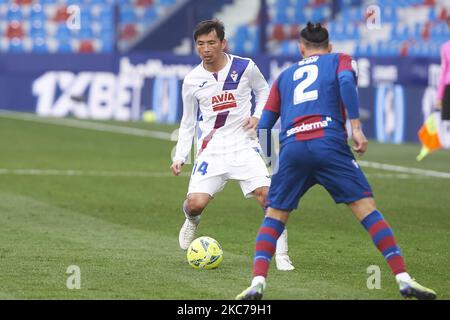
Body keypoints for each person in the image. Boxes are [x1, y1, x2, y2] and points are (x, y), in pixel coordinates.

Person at [236, 22, 437, 300]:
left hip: (293, 146)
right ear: (329, 46)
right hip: (328, 141)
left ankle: (257, 282)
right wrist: (356, 127)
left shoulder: (285, 75)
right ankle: (403, 278)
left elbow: (266, 124)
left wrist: (268, 159)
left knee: (275, 216)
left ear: (301, 49)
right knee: (366, 209)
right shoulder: (340, 60)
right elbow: (345, 82)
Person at [170, 19, 294, 271]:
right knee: (195, 203)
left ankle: (281, 256)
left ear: (222, 43)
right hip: (212, 150)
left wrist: (260, 116)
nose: (206, 48)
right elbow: (188, 120)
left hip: (244, 146)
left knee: (268, 196)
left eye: (211, 42)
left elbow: (264, 92)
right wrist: (181, 155)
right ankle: (191, 219)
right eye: (201, 44)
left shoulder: (245, 67)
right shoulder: (192, 80)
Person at [437, 17, 450, 120]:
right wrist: (439, 96)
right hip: (449, 88)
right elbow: (443, 72)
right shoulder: (445, 47)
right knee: (447, 122)